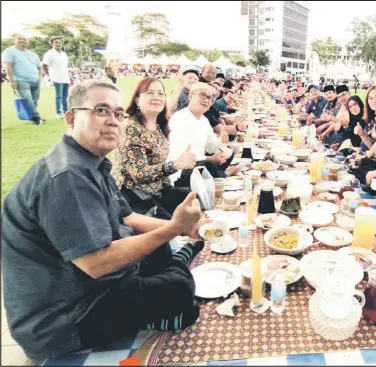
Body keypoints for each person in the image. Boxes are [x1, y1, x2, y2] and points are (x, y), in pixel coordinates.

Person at [1, 79, 212, 360]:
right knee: (180, 287)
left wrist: (187, 228)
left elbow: (130, 216)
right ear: (71, 118)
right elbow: (97, 263)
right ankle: (174, 274)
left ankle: (174, 266)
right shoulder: (66, 177)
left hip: (89, 285)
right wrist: (173, 228)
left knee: (159, 248)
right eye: (101, 110)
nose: (113, 121)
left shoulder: (91, 162)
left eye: (117, 113)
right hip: (63, 319)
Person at [112, 77, 196, 217]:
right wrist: (174, 165)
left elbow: (159, 164)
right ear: (137, 100)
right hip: (134, 197)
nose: (156, 97)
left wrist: (171, 191)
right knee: (174, 228)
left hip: (157, 191)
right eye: (150, 92)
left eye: (160, 93)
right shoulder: (131, 129)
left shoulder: (158, 126)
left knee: (193, 201)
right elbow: (139, 175)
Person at [168, 82, 233, 181]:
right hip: (181, 171)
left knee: (230, 152)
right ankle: (222, 174)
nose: (207, 100)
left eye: (210, 98)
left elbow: (210, 148)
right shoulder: (180, 118)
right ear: (191, 96)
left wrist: (221, 140)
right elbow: (183, 157)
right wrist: (210, 159)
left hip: (199, 163)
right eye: (203, 95)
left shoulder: (204, 120)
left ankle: (221, 174)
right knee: (209, 164)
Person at [345, 86, 376, 179]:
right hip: (375, 155)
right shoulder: (373, 119)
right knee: (348, 160)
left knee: (359, 163)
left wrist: (367, 155)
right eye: (370, 98)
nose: (374, 101)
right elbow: (371, 145)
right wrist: (361, 134)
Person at [2, 33, 44, 125]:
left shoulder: (32, 54)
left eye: (24, 39)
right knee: (28, 99)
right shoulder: (9, 51)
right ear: (14, 40)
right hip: (21, 80)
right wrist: (11, 80)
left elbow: (39, 67)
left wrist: (40, 77)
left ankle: (31, 116)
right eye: (20, 39)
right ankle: (37, 118)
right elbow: (8, 67)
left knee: (34, 100)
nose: (23, 40)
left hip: (35, 80)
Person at [42, 36, 70, 119]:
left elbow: (65, 66)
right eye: (56, 42)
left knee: (65, 96)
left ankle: (66, 111)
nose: (58, 44)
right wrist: (50, 75)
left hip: (65, 77)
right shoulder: (49, 54)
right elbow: (44, 65)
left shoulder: (64, 54)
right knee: (59, 96)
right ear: (52, 44)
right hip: (56, 77)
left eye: (60, 42)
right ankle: (59, 113)